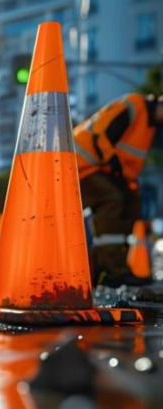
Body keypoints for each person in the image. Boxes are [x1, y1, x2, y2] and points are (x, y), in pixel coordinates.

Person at [74, 93, 163, 287]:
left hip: (102, 169)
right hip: (80, 166)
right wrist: (112, 162)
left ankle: (105, 269)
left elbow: (128, 162)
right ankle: (114, 269)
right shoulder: (134, 105)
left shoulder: (150, 124)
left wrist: (130, 187)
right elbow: (101, 134)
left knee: (131, 203)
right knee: (112, 199)